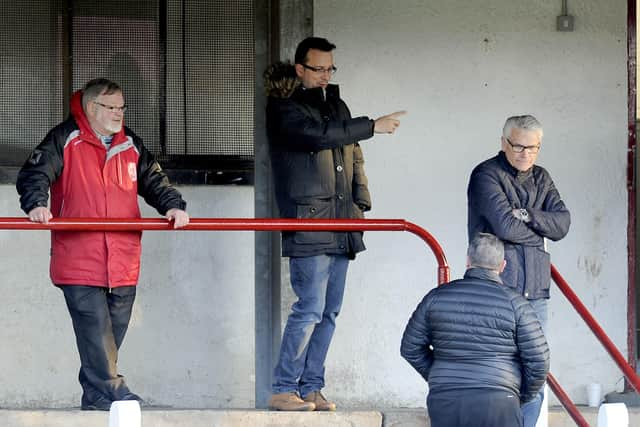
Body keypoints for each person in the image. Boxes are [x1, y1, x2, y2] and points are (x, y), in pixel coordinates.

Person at [16, 78, 189, 410]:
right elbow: (34, 174)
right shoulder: (65, 138)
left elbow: (153, 179)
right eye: (111, 107)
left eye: (122, 107)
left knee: (111, 334)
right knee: (95, 329)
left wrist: (173, 205)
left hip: (123, 257)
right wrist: (37, 203)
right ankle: (114, 388)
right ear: (91, 108)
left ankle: (95, 395)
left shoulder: (130, 143)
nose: (118, 114)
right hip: (79, 256)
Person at [264, 37, 405, 411]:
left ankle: (311, 388)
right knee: (309, 309)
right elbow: (318, 138)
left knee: (329, 313)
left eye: (330, 68)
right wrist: (372, 125)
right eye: (318, 68)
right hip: (310, 220)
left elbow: (352, 153)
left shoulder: (336, 104)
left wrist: (362, 201)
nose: (325, 75)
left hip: (342, 221)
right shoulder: (284, 107)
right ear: (300, 69)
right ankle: (283, 389)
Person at [467, 114, 570, 426]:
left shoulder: (542, 177)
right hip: (496, 287)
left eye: (533, 148)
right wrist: (540, 230)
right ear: (503, 143)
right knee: (497, 372)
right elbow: (505, 226)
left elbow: (563, 223)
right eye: (518, 146)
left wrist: (526, 214)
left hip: (535, 292)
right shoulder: (486, 174)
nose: (526, 153)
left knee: (533, 373)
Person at [401, 233, 550, 427]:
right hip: (500, 401)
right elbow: (539, 361)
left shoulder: (436, 297)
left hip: (446, 399)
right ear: (503, 266)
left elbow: (410, 348)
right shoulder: (517, 304)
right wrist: (517, 394)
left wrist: (440, 376)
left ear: (468, 261)